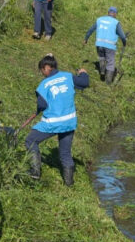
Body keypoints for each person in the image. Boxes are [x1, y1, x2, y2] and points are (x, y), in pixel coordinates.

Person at [25, 54, 90, 185]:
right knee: (65, 153)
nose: (42, 73)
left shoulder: (44, 84)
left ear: (46, 67)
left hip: (53, 123)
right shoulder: (68, 76)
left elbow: (42, 105)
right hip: (69, 122)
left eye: (41, 70)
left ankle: (35, 172)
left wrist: (39, 108)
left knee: (30, 140)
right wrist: (83, 73)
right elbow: (84, 83)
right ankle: (69, 183)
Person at [83, 6, 127, 83]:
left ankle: (102, 72)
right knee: (110, 62)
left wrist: (86, 39)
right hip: (110, 45)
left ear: (108, 13)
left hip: (99, 44)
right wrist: (124, 42)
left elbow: (91, 29)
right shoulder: (116, 22)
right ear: (115, 14)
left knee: (101, 58)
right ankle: (108, 81)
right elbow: (122, 36)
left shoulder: (99, 19)